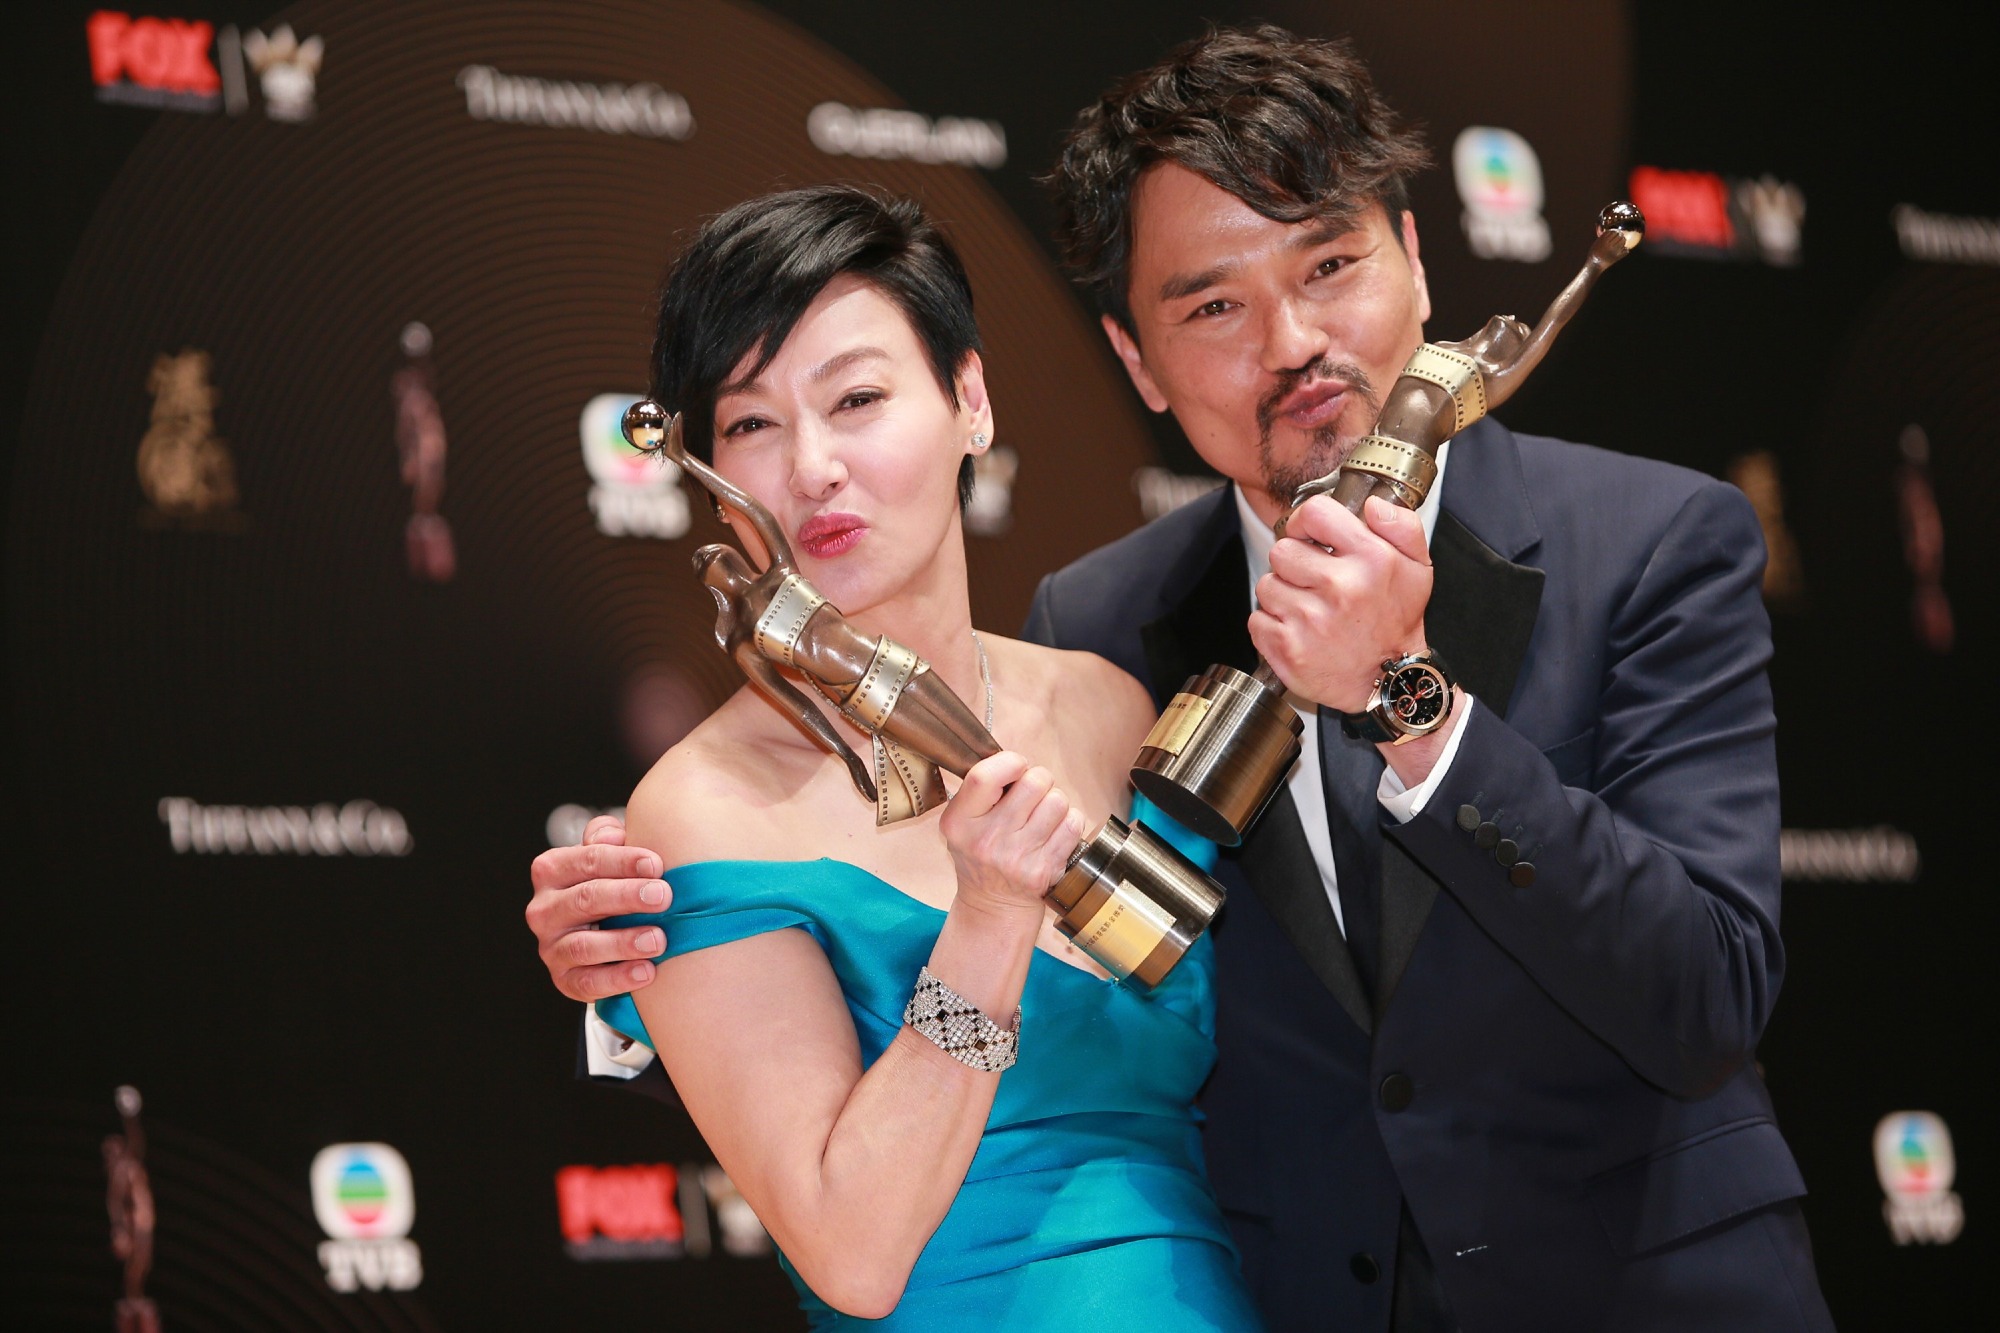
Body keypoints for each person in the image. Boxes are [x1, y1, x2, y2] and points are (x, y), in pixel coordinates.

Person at [529, 27, 1835, 1333]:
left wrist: (1409, 698)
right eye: (1213, 306)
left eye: (1327, 264)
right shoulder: (1116, 629)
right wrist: (655, 973)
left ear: (1414, 257)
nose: (1292, 340)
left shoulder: (1650, 543)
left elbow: (1705, 990)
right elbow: (921, 1036)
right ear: (1136, 360)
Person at [569, 183, 1265, 1329]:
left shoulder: (1100, 704)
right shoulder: (704, 806)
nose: (812, 467)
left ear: (969, 401)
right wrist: (986, 919)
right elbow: (852, 1250)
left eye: (855, 399)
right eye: (751, 425)